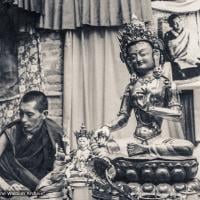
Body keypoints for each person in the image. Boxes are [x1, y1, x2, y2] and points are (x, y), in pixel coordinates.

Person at [95, 20, 194, 158]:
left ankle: (146, 150)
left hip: (157, 141)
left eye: (142, 54)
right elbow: (123, 117)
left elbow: (177, 115)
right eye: (133, 57)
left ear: (155, 55)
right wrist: (107, 127)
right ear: (129, 61)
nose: (138, 59)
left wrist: (150, 108)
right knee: (102, 148)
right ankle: (139, 151)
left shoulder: (167, 84)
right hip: (135, 140)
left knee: (187, 147)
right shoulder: (131, 87)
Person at [0, 91, 65, 191]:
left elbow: (62, 168)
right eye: (21, 113)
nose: (23, 119)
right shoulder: (10, 132)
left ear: (44, 114)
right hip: (10, 185)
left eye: (29, 115)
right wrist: (6, 186)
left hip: (43, 188)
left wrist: (46, 184)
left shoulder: (54, 133)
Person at [164, 14, 200, 80]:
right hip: (177, 59)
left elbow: (193, 47)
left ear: (181, 21)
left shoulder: (188, 32)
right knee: (177, 71)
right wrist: (173, 58)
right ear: (170, 25)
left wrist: (190, 56)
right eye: (174, 23)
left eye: (179, 22)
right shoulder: (168, 34)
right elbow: (168, 50)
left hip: (189, 57)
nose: (178, 25)